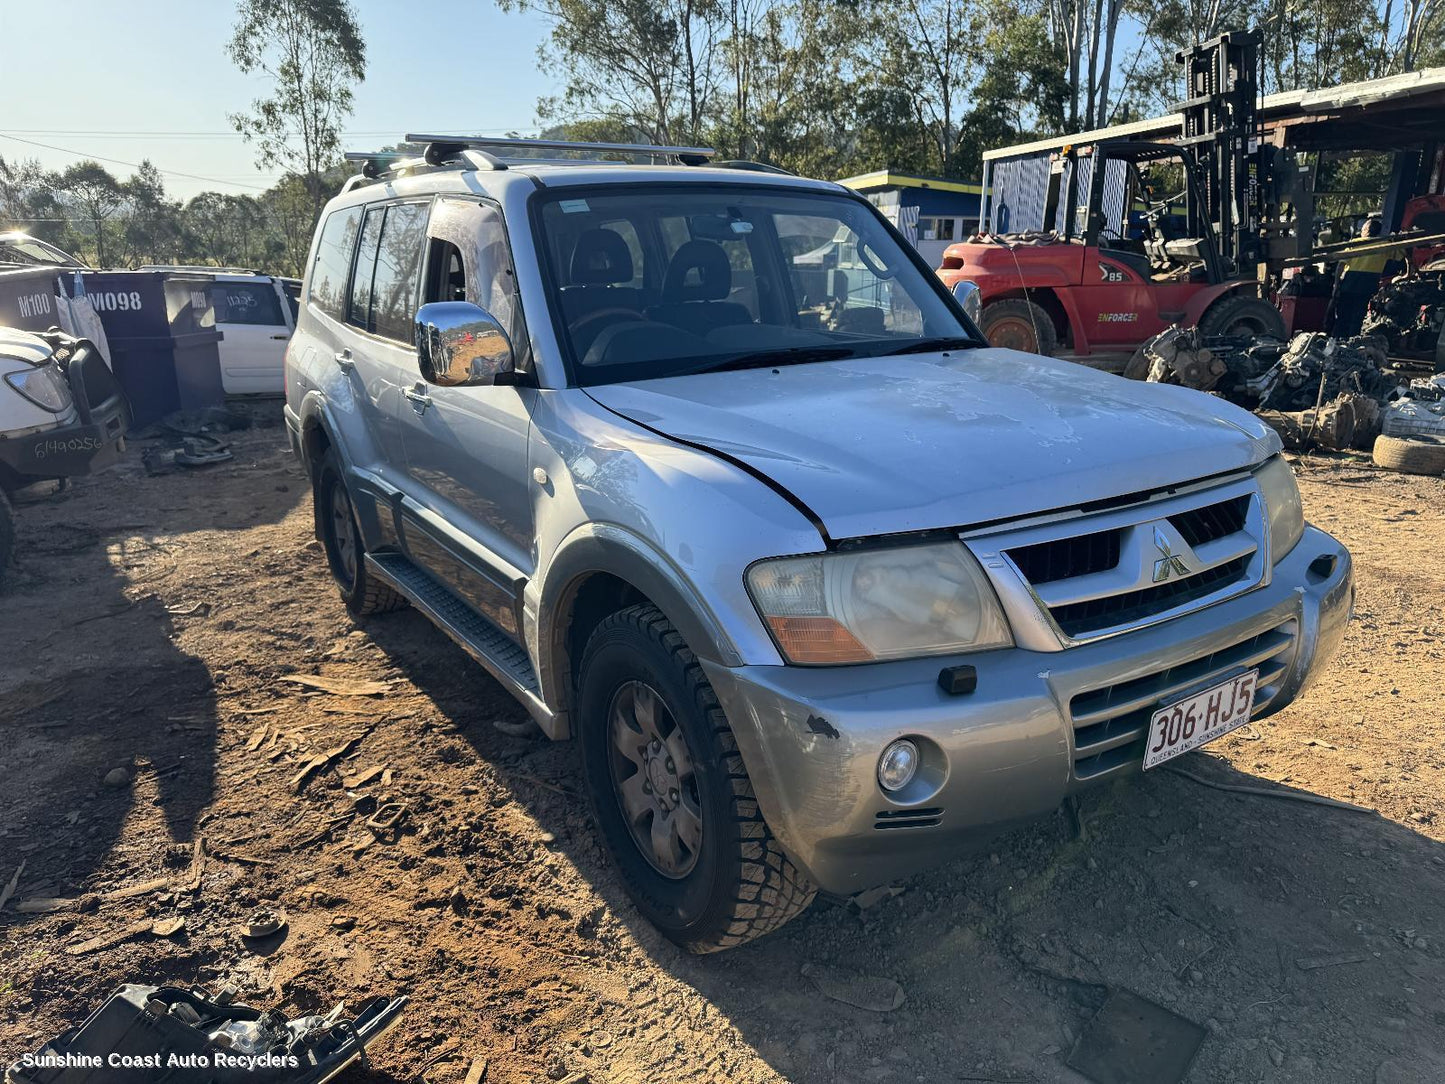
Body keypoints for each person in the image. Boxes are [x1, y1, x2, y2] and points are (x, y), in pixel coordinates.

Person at [1330, 216, 1388, 337]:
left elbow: (1341, 265)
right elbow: (1403, 252)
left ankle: (1337, 340)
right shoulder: (1385, 245)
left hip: (1351, 282)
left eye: (1363, 227)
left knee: (1343, 316)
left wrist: (1336, 284)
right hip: (1368, 285)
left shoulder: (1355, 243)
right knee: (1357, 317)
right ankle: (1351, 342)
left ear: (1367, 230)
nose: (1361, 230)